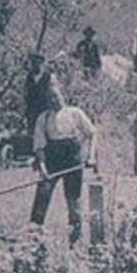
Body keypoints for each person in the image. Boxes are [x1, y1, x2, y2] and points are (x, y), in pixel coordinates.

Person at [28, 72, 98, 245]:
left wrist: (91, 157)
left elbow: (93, 133)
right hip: (52, 161)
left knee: (73, 200)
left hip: (73, 162)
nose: (53, 100)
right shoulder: (44, 119)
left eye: (55, 96)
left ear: (61, 93)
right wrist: (43, 169)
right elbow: (39, 147)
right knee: (42, 196)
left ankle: (74, 241)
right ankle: (33, 240)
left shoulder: (75, 113)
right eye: (49, 98)